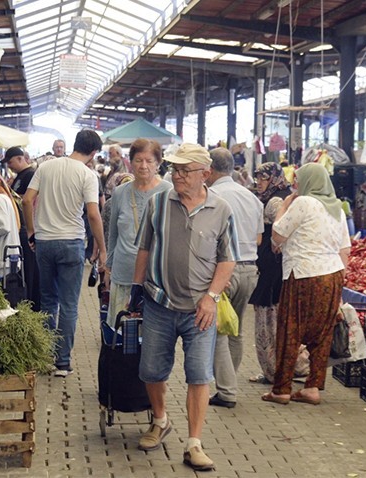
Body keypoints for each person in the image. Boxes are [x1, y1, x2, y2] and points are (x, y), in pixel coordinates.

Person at [130, 143, 238, 472]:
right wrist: (135, 290)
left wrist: (212, 296)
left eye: (183, 170)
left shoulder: (221, 209)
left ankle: (194, 444)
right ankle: (160, 420)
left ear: (204, 174)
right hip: (159, 303)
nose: (176, 175)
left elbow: (228, 259)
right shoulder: (158, 203)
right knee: (150, 370)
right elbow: (145, 249)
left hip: (199, 310)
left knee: (199, 375)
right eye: (174, 169)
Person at [262, 163, 350, 406]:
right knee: (322, 334)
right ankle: (312, 387)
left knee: (291, 330)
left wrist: (285, 206)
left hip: (303, 274)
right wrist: (340, 284)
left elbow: (278, 235)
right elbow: (345, 249)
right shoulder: (337, 209)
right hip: (332, 275)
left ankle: (281, 389)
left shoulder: (303, 203)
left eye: (298, 181)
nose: (295, 186)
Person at [22, 130, 107, 377]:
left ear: (73, 145)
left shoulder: (46, 167)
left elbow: (27, 201)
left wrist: (31, 232)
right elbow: (93, 214)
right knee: (69, 305)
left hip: (45, 243)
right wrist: (101, 248)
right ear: (93, 153)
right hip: (71, 243)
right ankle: (63, 362)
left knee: (49, 301)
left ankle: (46, 354)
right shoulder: (88, 174)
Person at [204, 147, 263, 409]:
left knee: (217, 332)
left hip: (225, 272)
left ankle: (226, 391)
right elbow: (260, 238)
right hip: (251, 269)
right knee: (235, 329)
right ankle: (230, 382)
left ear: (211, 170)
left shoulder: (212, 195)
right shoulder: (251, 197)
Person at [248, 163, 309, 384]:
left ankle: (274, 372)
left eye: (263, 178)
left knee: (267, 324)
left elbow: (282, 232)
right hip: (278, 270)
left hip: (273, 272)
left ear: (274, 178)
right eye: (257, 178)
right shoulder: (282, 197)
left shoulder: (275, 202)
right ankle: (290, 369)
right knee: (278, 323)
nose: (259, 182)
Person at [105, 139, 170, 327]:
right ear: (130, 162)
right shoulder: (120, 193)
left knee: (153, 337)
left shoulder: (169, 192)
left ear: (158, 163)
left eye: (149, 161)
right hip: (123, 273)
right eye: (138, 160)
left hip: (156, 279)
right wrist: (108, 268)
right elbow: (113, 234)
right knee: (122, 334)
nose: (143, 166)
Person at [4, 146, 40, 311]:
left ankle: (32, 305)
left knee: (31, 270)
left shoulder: (30, 175)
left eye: (11, 162)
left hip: (28, 228)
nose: (9, 166)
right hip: (23, 227)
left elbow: (28, 202)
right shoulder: (20, 176)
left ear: (20, 158)